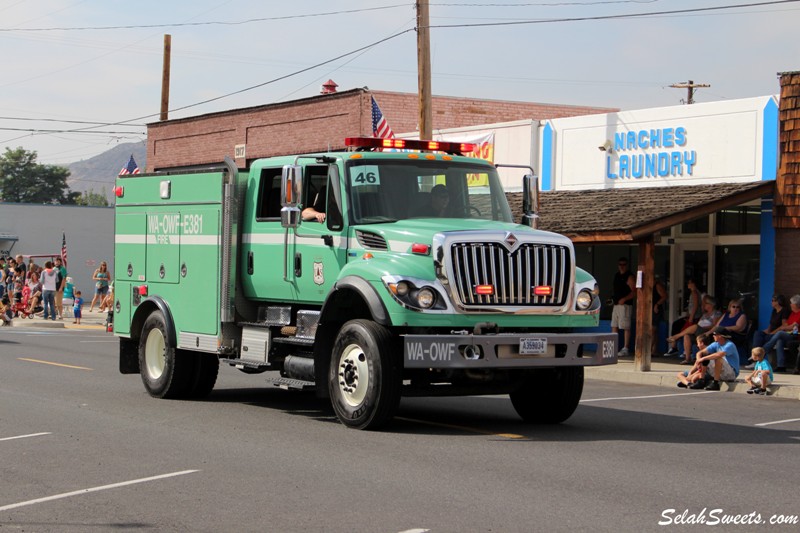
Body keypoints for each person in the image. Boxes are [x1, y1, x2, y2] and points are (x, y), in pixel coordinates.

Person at [667, 294, 722, 365]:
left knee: (695, 327)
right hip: (699, 332)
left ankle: (676, 336)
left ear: (711, 305)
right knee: (686, 336)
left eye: (706, 303)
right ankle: (687, 358)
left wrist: (702, 328)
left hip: (707, 333)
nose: (704, 305)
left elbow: (714, 326)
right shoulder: (705, 314)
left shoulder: (716, 313)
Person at [760, 293, 800, 372]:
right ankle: (781, 366)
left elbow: (793, 326)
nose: (790, 304)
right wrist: (786, 327)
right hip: (789, 334)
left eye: (791, 303)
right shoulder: (792, 313)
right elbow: (788, 325)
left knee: (780, 333)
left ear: (796, 304)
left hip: (796, 336)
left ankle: (763, 350)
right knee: (779, 341)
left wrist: (785, 327)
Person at [693, 327, 740, 391]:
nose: (713, 336)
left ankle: (715, 383)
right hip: (721, 372)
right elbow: (700, 352)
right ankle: (701, 380)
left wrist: (703, 358)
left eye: (715, 334)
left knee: (718, 358)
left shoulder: (730, 345)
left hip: (731, 374)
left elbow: (719, 354)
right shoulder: (716, 344)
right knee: (704, 356)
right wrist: (698, 360)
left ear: (720, 336)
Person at [749, 294, 790, 369]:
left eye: (773, 301)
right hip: (771, 333)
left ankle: (756, 357)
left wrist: (772, 332)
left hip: (776, 334)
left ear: (778, 302)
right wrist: (765, 332)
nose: (771, 302)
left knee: (768, 338)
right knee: (758, 334)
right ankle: (755, 356)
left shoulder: (784, 311)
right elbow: (771, 325)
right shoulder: (774, 311)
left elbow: (783, 326)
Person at [665, 278, 702, 357]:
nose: (688, 284)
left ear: (693, 284)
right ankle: (675, 346)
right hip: (690, 316)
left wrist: (691, 317)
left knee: (685, 330)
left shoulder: (695, 293)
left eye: (689, 283)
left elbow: (695, 305)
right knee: (677, 325)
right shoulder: (692, 293)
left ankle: (683, 348)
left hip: (695, 317)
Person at [611, 257, 635, 357]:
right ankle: (614, 346)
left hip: (625, 305)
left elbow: (635, 292)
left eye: (624, 264)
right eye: (620, 264)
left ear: (627, 265)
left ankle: (626, 347)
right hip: (616, 304)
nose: (622, 266)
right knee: (614, 325)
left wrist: (624, 299)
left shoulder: (629, 277)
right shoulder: (617, 275)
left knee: (625, 326)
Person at [714, 298, 748, 366]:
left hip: (735, 335)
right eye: (733, 306)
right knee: (709, 336)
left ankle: (720, 358)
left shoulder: (742, 315)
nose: (735, 308)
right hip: (722, 333)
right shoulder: (726, 315)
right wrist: (708, 332)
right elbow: (717, 326)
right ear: (730, 307)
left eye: (737, 307)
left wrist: (725, 328)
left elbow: (738, 327)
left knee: (719, 336)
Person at [652, 276, 668, 355]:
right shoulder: (648, 286)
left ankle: (652, 349)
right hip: (650, 309)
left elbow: (664, 296)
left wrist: (657, 304)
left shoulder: (657, 286)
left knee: (653, 329)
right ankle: (654, 350)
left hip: (656, 309)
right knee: (653, 331)